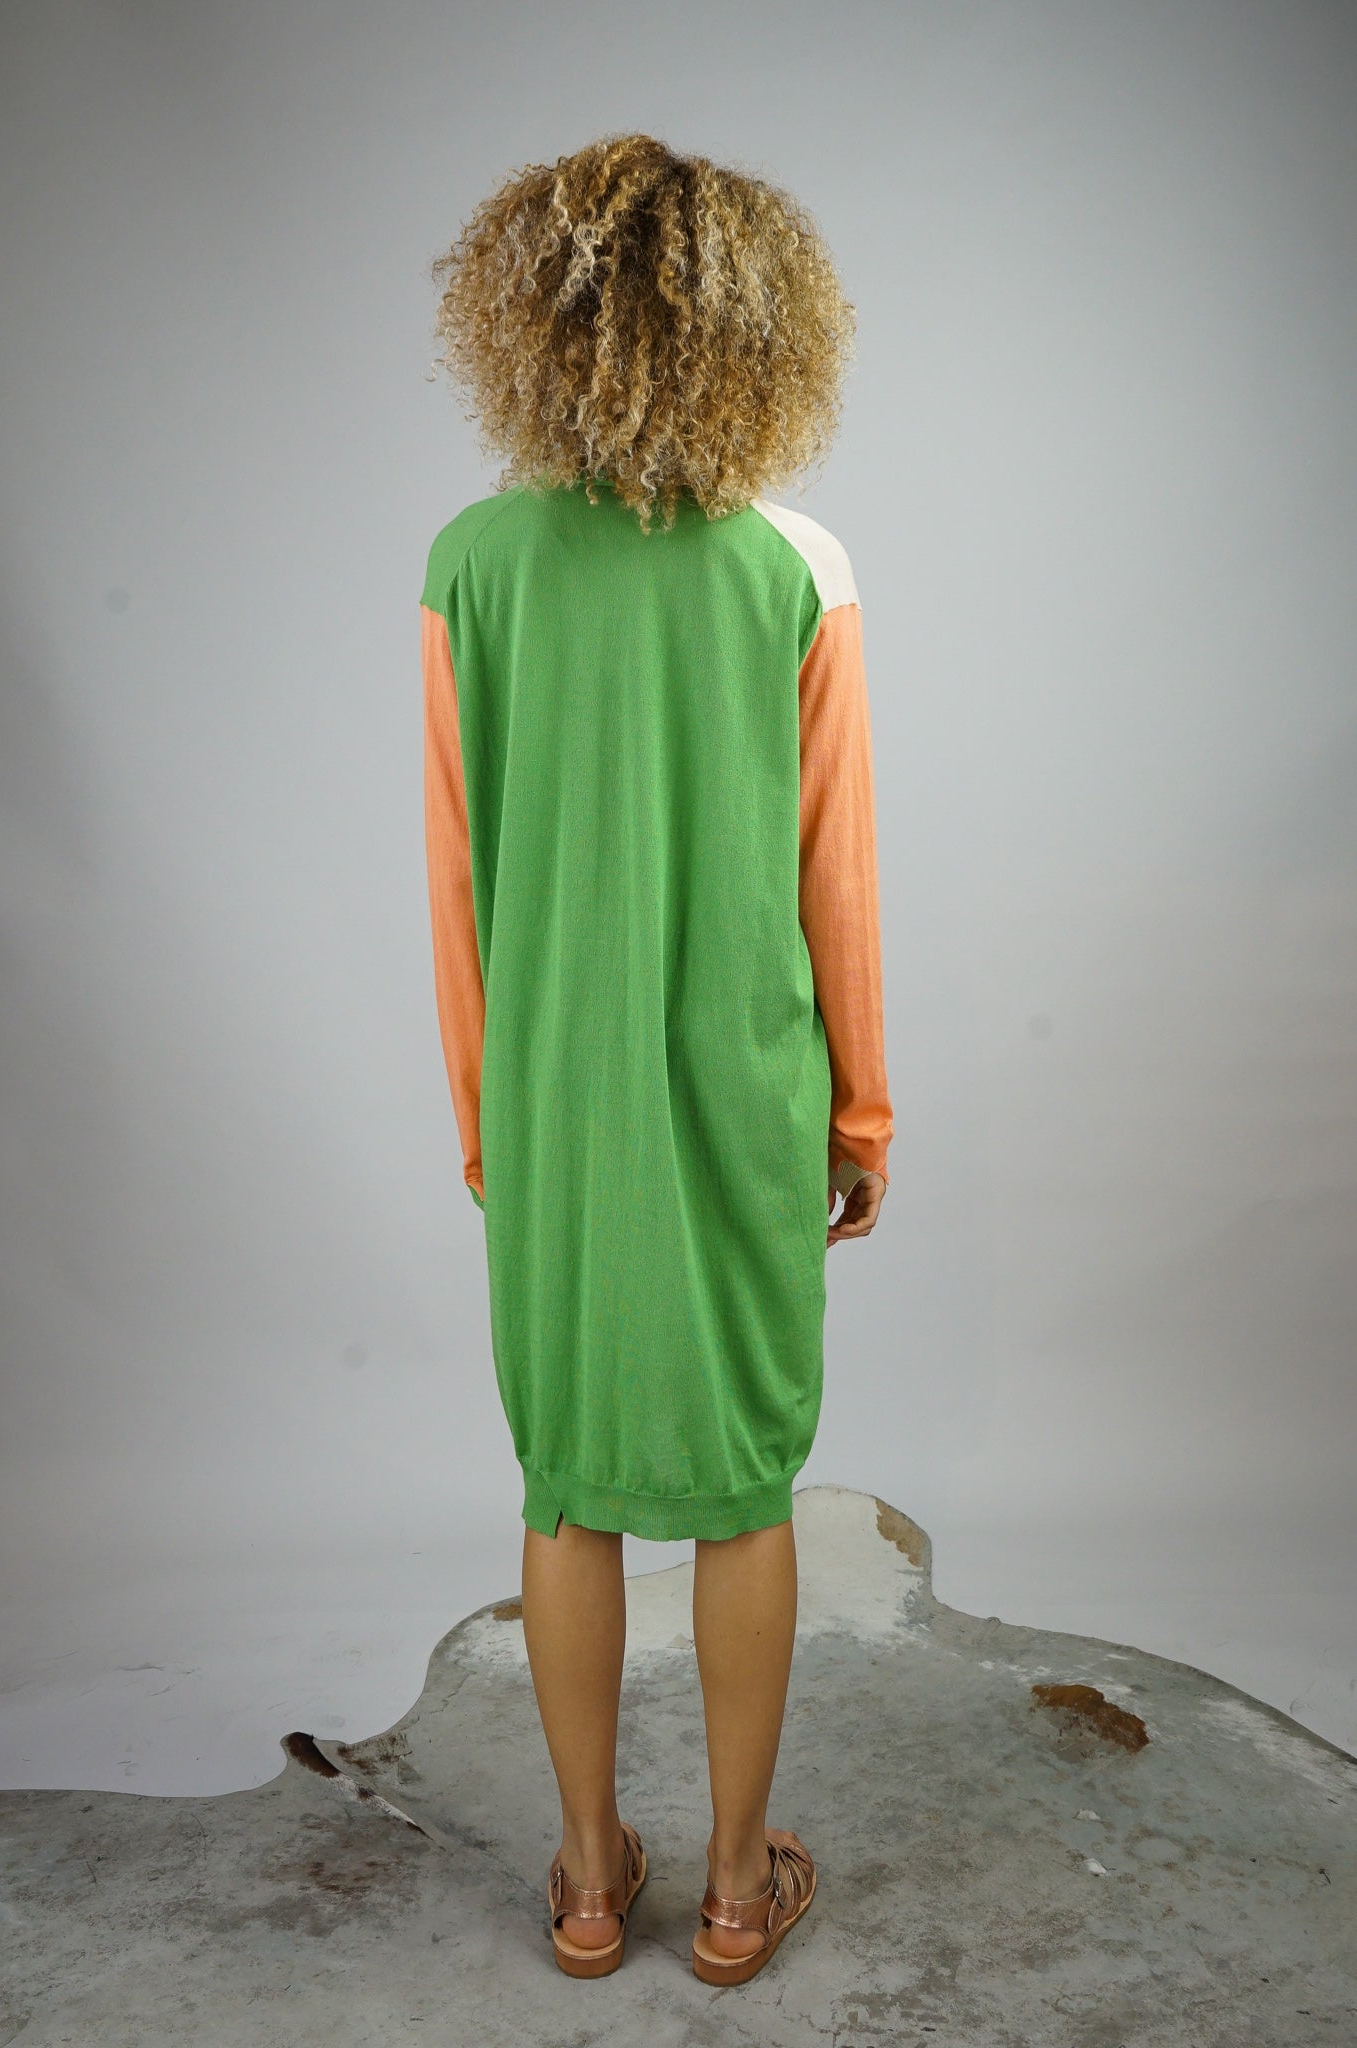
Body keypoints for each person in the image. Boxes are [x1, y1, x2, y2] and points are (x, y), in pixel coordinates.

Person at [419, 132, 892, 1986]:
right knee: (745, 1484)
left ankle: (590, 1880)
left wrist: (489, 1122)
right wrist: (861, 1113)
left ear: (530, 322)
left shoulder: (470, 564)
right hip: (747, 1090)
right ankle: (735, 1889)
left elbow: (457, 875)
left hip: (555, 1098)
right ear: (754, 327)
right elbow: (837, 877)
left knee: (565, 1481)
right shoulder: (799, 562)